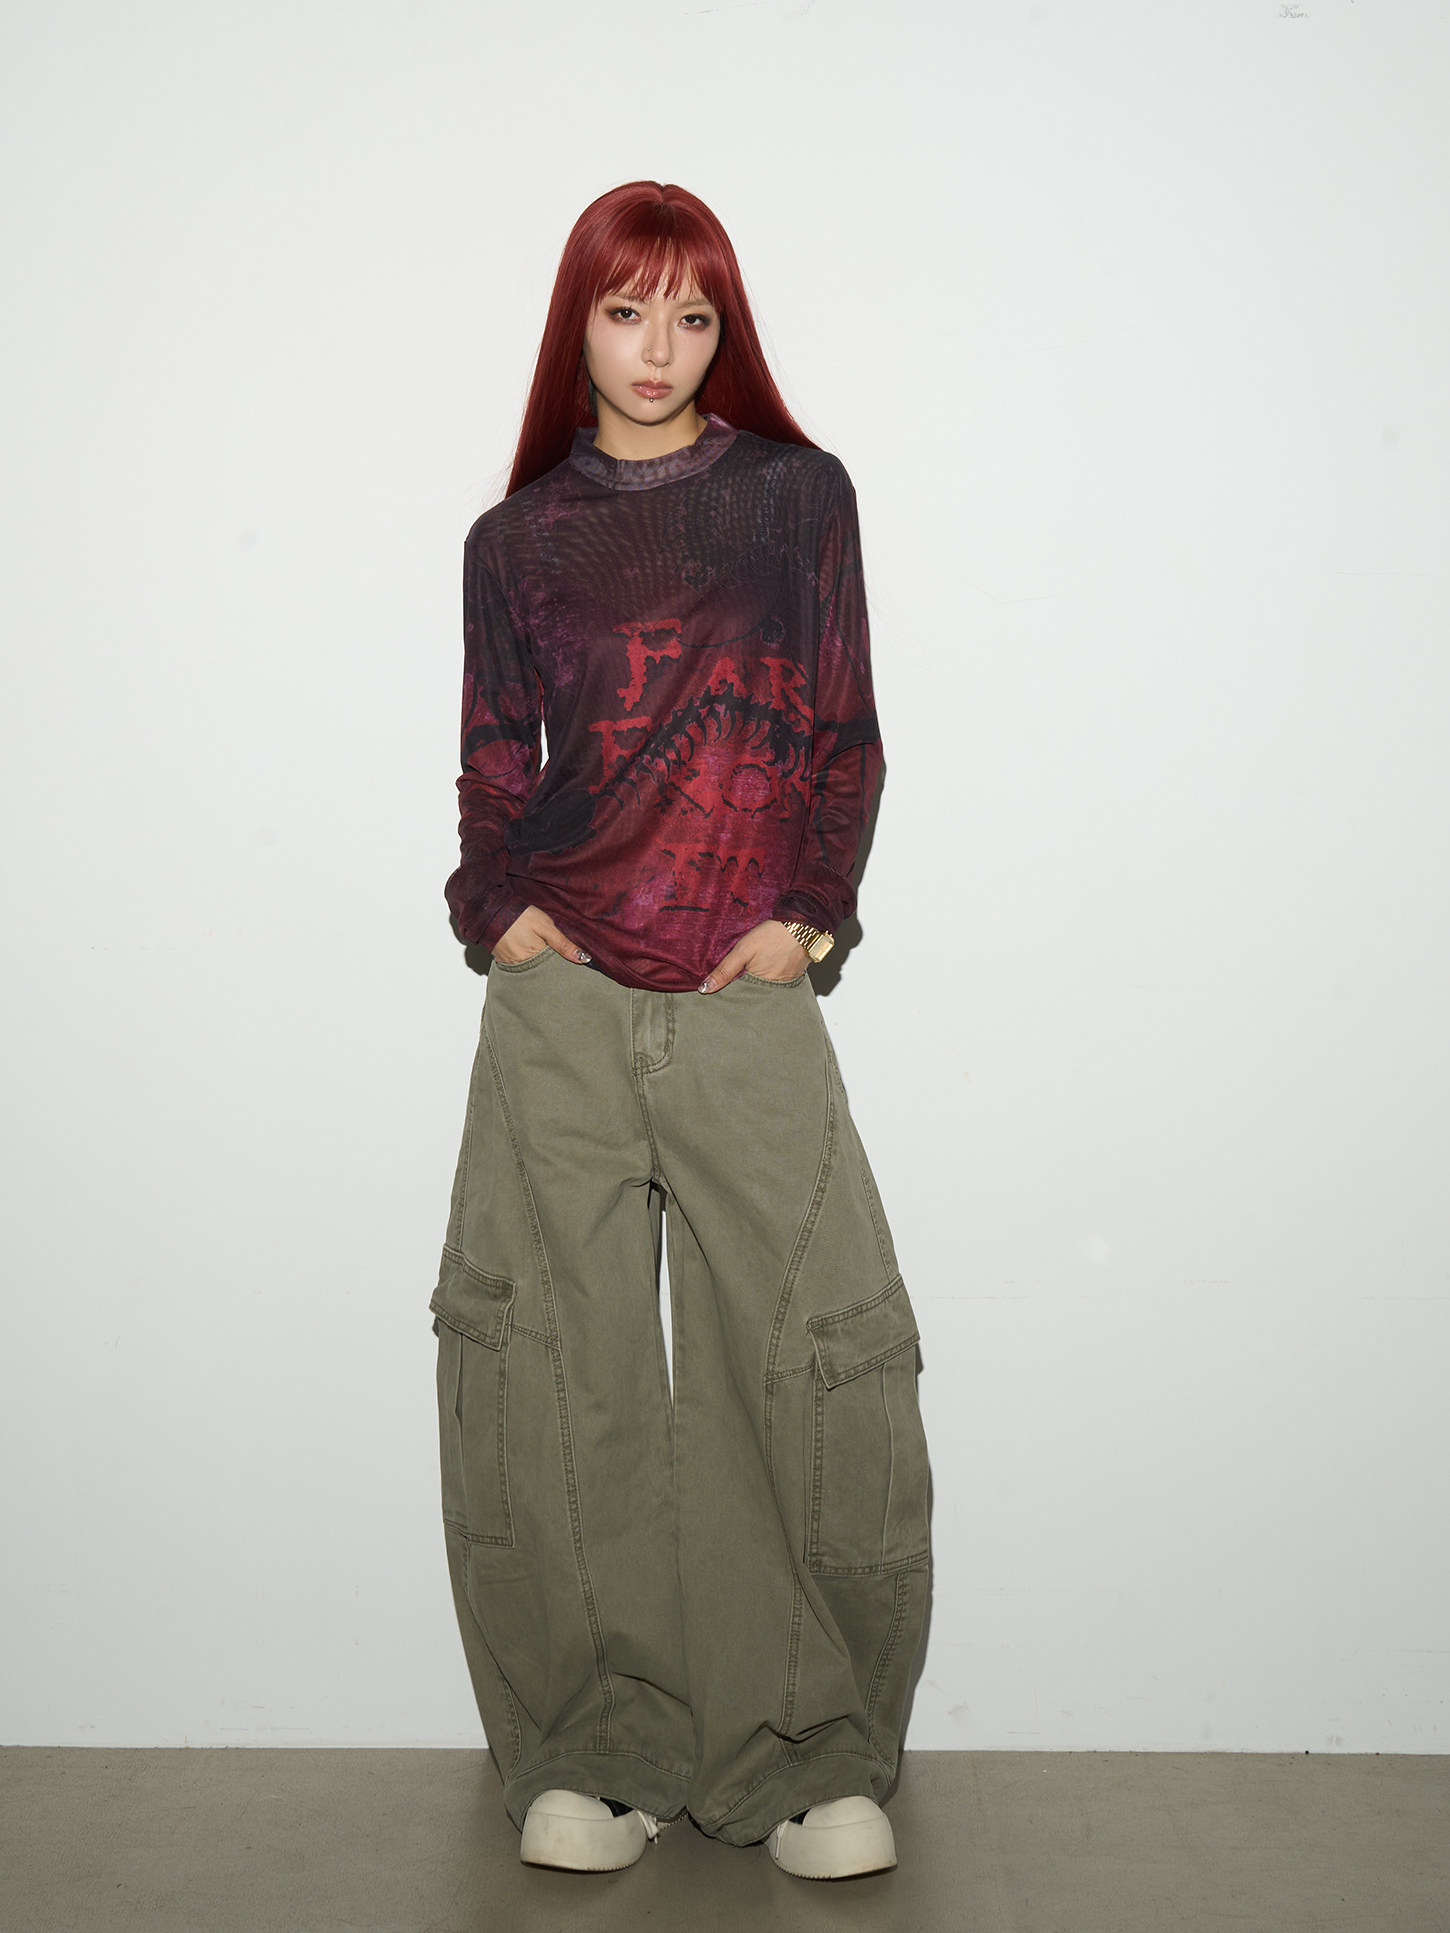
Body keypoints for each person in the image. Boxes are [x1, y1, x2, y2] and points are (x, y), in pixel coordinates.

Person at [430, 179, 931, 1882]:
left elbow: (845, 731)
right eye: (627, 310)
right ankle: (596, 1745)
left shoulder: (795, 498)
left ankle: (798, 1752)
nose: (659, 348)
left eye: (692, 315)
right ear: (575, 322)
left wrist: (810, 913)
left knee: (794, 1359)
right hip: (560, 1002)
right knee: (554, 1373)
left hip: (743, 987)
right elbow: (494, 762)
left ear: (727, 330)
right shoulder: (514, 540)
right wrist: (496, 903)